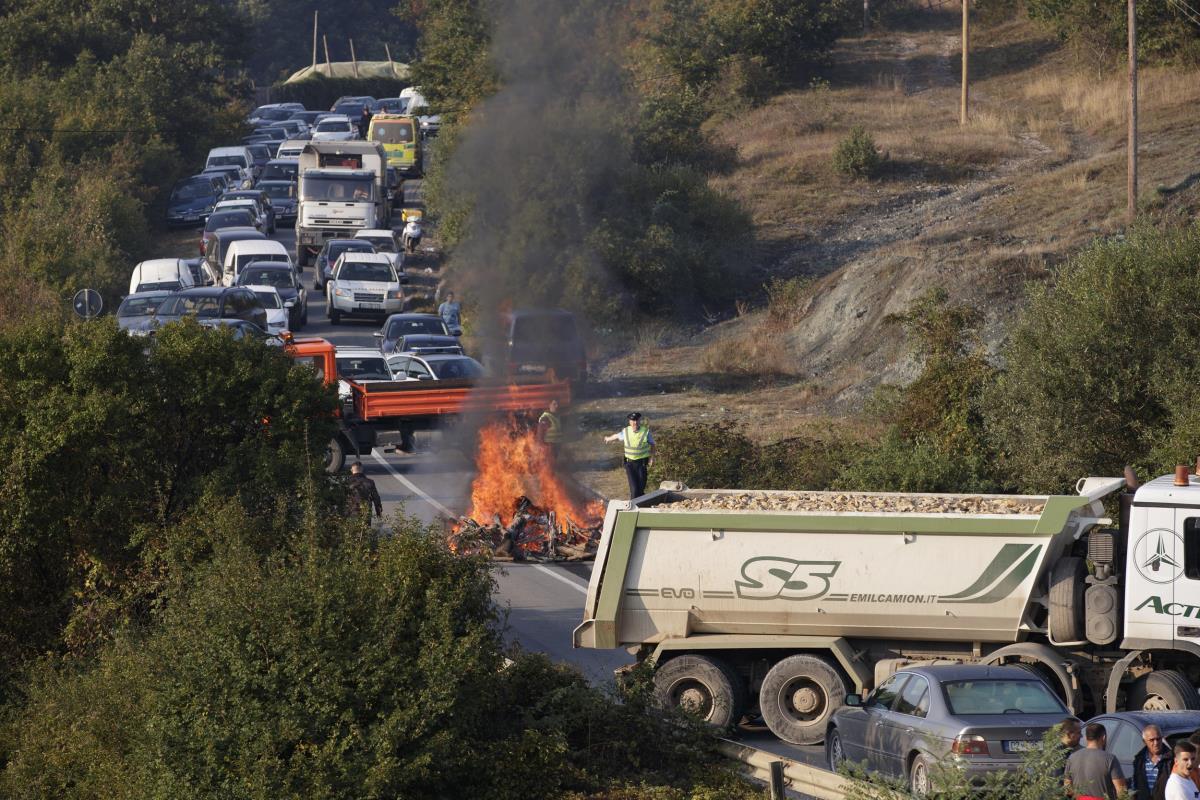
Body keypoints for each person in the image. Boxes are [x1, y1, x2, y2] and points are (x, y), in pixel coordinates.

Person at [1064, 722, 1127, 800]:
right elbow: (1121, 792)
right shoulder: (1110, 759)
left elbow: (1067, 789)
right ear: (1103, 738)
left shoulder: (1072, 758)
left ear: (1086, 738)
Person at [603, 412, 654, 499]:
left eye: (636, 420)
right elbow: (617, 436)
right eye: (633, 421)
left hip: (642, 464)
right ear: (629, 422)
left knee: (640, 490)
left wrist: (651, 458)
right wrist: (608, 438)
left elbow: (653, 444)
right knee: (634, 490)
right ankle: (633, 510)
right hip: (630, 465)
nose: (635, 423)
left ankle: (640, 508)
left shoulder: (645, 432)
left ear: (639, 421)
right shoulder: (626, 431)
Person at [1134, 724, 1175, 800]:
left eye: (1158, 739)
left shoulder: (1172, 759)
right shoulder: (1139, 760)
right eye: (1151, 740)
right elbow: (1135, 786)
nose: (1156, 743)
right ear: (1144, 741)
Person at [538, 399, 563, 466]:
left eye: (557, 404)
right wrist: (542, 445)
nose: (556, 406)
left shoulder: (556, 416)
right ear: (549, 405)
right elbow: (540, 433)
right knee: (548, 465)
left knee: (553, 463)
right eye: (554, 404)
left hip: (555, 444)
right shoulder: (546, 417)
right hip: (549, 445)